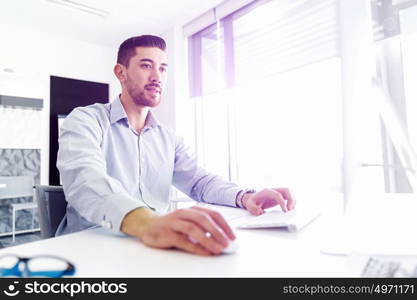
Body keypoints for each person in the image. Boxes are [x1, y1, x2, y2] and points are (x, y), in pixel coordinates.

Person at [57, 35, 296, 256]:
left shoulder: (167, 137)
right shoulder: (85, 120)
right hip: (90, 247)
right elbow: (85, 180)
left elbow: (200, 182)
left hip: (149, 248)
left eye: (162, 69)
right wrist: (148, 222)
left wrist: (245, 197)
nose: (157, 76)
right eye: (146, 65)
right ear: (121, 72)